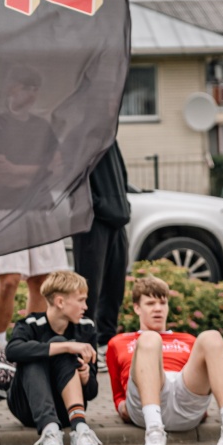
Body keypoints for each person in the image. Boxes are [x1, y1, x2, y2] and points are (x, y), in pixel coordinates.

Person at [106, 274, 223, 445]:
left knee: (211, 336)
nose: (158, 308)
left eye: (162, 303)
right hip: (144, 400)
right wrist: (121, 407)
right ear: (137, 308)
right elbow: (117, 392)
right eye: (150, 303)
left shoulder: (187, 339)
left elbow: (197, 375)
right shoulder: (118, 342)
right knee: (150, 337)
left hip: (184, 395)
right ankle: (154, 433)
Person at [0, 66, 66, 357]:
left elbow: (57, 168)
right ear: (11, 89)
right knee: (8, 280)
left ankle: (30, 342)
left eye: (35, 88)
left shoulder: (43, 128)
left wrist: (21, 170)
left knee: (42, 281)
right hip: (5, 211)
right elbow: (2, 175)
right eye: (25, 87)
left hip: (41, 209)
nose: (31, 93)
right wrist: (39, 170)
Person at [5, 269, 103, 445]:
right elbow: (12, 351)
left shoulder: (86, 328)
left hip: (67, 412)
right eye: (81, 300)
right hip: (27, 408)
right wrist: (66, 346)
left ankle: (80, 431)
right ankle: (49, 431)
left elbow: (92, 392)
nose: (85, 306)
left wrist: (85, 378)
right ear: (60, 302)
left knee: (60, 346)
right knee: (40, 351)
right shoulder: (31, 324)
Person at [71, 141, 131, 348]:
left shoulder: (108, 137)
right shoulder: (77, 137)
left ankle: (107, 343)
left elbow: (121, 173)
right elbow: (72, 181)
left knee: (115, 287)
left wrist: (123, 205)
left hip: (117, 220)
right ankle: (87, 346)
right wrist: (99, 205)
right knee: (88, 289)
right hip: (91, 223)